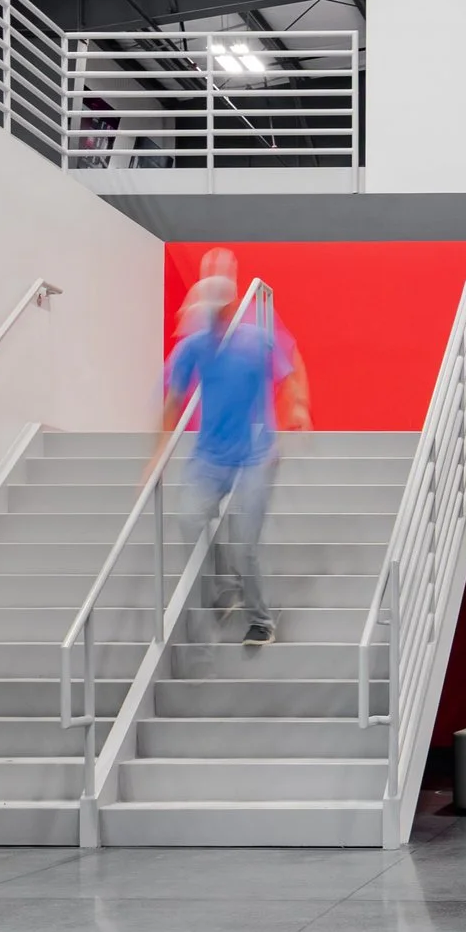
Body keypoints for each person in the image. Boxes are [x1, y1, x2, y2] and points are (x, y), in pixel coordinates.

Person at [146, 252, 308, 647]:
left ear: (234, 306)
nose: (214, 318)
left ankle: (260, 620)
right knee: (188, 520)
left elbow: (290, 368)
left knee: (244, 541)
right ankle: (223, 589)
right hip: (210, 455)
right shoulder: (194, 346)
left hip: (256, 451)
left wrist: (298, 406)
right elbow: (172, 400)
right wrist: (156, 457)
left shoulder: (257, 341)